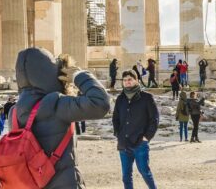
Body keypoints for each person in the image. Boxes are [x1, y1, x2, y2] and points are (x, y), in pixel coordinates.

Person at [11, 48, 110, 188]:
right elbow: (100, 103)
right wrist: (79, 75)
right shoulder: (55, 103)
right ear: (47, 73)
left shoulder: (14, 111)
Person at [113, 69, 159, 189]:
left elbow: (154, 119)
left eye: (130, 79)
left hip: (140, 143)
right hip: (124, 143)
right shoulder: (120, 99)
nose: (127, 82)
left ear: (136, 81)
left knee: (145, 172)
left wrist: (146, 137)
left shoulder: (147, 97)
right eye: (124, 80)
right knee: (126, 176)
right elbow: (115, 119)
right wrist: (118, 134)